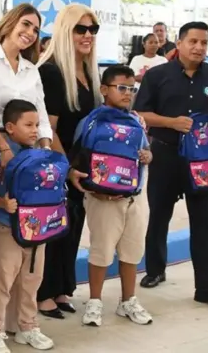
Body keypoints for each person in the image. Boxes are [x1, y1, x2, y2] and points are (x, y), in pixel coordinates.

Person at [0, 2, 53, 339]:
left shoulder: (31, 69)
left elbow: (42, 114)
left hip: (29, 164)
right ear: (10, 22)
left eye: (36, 29)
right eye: (26, 24)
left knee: (29, 247)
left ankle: (23, 325)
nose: (30, 32)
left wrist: (44, 151)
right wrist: (4, 148)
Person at [70, 65, 153, 327]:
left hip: (135, 197)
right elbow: (79, 157)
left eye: (132, 89)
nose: (128, 93)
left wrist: (147, 156)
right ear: (104, 89)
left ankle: (128, 300)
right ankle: (94, 301)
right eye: (122, 88)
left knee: (132, 250)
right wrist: (93, 187)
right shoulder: (91, 121)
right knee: (101, 251)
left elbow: (146, 151)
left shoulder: (137, 121)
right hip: (102, 199)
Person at [133, 21, 208, 304]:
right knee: (159, 215)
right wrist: (171, 122)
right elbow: (141, 113)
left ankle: (204, 287)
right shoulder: (157, 75)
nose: (199, 47)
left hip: (201, 161)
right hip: (165, 154)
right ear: (179, 44)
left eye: (204, 43)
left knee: (203, 221)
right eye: (193, 41)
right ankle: (155, 270)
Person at [36, 3, 104, 319]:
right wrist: (66, 168)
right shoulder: (51, 72)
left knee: (73, 227)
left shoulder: (89, 73)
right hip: (58, 165)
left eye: (93, 29)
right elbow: (48, 128)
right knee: (54, 228)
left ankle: (62, 288)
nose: (88, 35)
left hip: (80, 167)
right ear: (66, 31)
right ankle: (44, 292)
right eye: (81, 29)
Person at [0, 99, 55, 353]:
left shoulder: (41, 155)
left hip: (37, 231)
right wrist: (3, 203)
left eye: (37, 125)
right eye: (29, 125)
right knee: (0, 282)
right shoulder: (1, 156)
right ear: (10, 127)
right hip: (7, 230)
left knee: (31, 281)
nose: (35, 130)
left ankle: (28, 326)